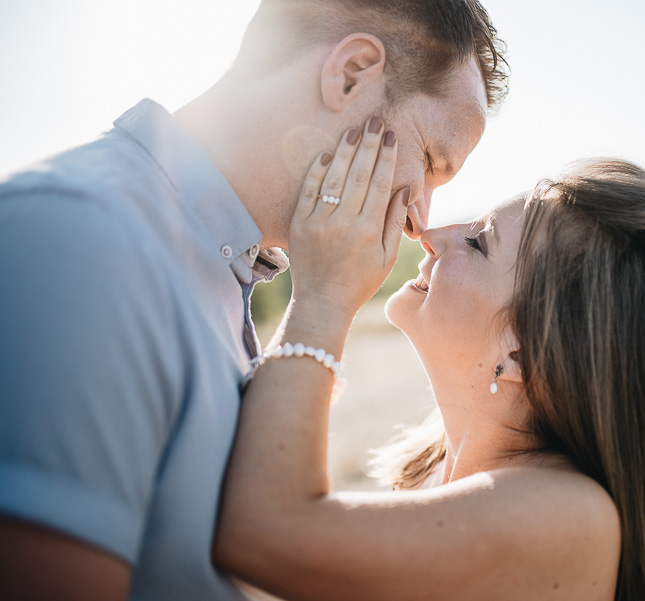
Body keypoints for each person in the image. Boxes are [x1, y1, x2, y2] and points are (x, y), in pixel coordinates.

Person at [0, 1, 508, 599]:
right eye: (427, 160)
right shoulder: (83, 238)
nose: (419, 218)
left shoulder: (218, 269)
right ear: (350, 74)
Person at [214, 129, 645, 600]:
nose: (432, 234)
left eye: (478, 242)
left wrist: (325, 294)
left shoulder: (567, 514)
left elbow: (262, 529)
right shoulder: (435, 473)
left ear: (520, 354)